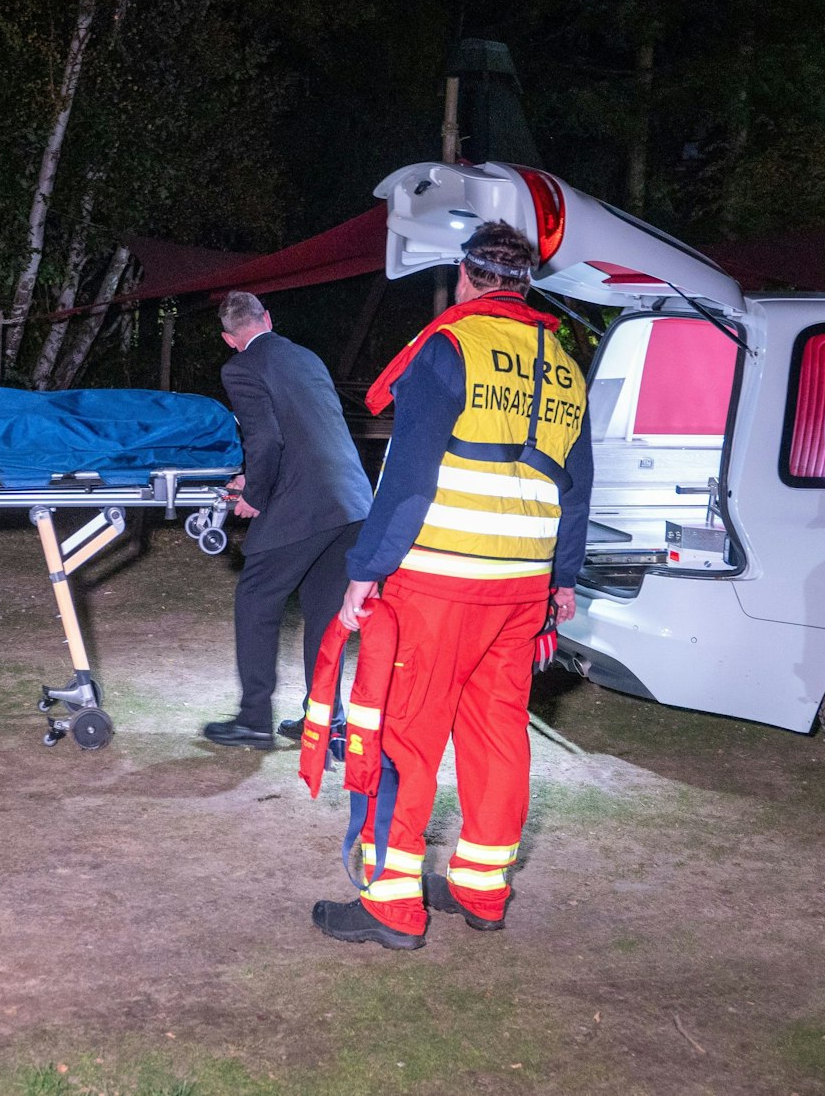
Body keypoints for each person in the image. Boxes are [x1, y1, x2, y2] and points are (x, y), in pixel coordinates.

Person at [310, 221, 592, 948]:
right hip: (521, 590)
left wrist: (366, 570)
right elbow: (577, 487)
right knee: (498, 737)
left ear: (466, 278)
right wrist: (561, 581)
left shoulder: (450, 345)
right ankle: (482, 887)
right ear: (527, 284)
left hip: (440, 580)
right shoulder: (563, 361)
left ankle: (393, 906)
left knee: (405, 733)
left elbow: (408, 477)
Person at [202, 292, 372, 750]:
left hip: (307, 504)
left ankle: (254, 720)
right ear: (268, 319)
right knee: (323, 613)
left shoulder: (239, 368)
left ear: (228, 338)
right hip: (353, 502)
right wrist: (253, 479)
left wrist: (254, 495)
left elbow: (266, 438)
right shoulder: (307, 357)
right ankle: (326, 721)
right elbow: (306, 434)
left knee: (256, 597)